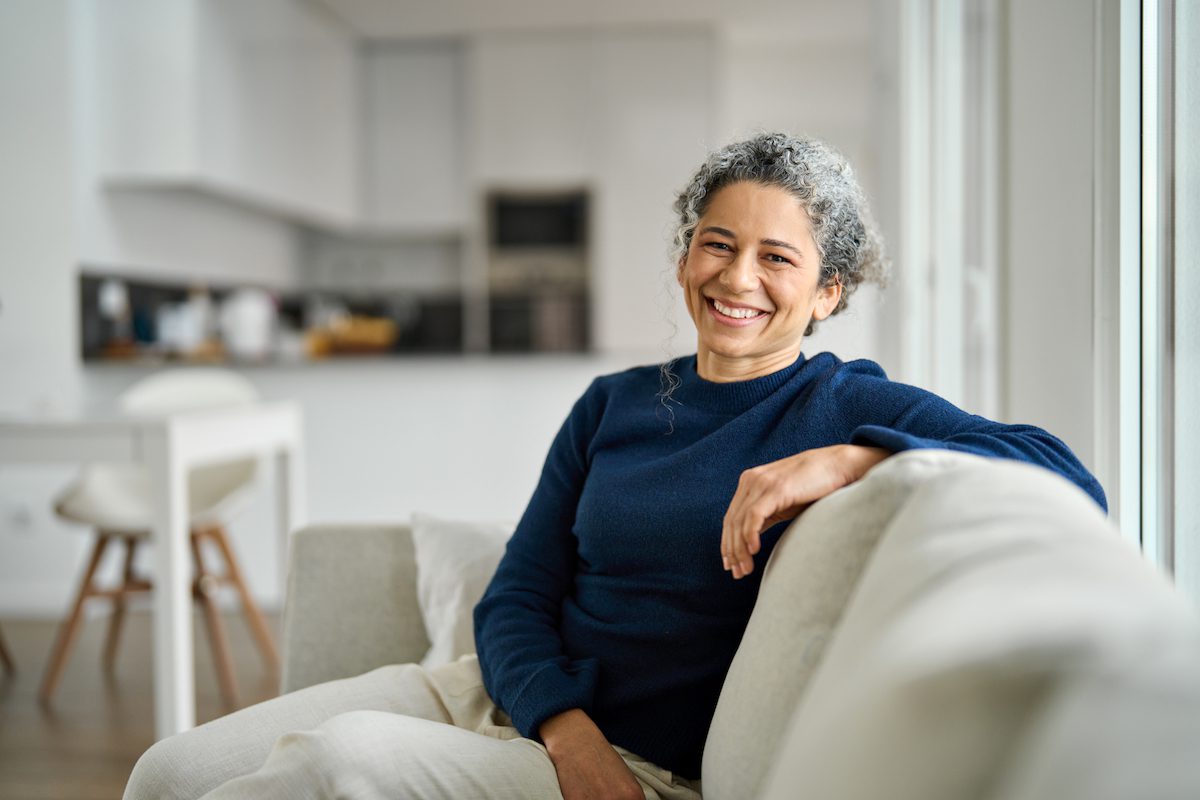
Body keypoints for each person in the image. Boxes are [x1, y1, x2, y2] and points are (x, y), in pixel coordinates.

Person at [124, 133, 1105, 800]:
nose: (737, 277)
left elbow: (1065, 473)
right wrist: (563, 725)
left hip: (637, 759)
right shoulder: (617, 402)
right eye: (717, 244)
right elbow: (516, 591)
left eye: (778, 259)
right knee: (170, 770)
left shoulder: (843, 402)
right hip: (504, 698)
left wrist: (849, 458)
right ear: (685, 256)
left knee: (334, 764)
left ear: (830, 291)